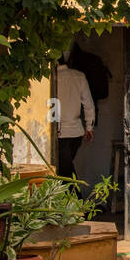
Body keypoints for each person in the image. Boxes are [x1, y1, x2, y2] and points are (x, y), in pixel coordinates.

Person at [55, 52, 95, 189]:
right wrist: (89, 127)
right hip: (76, 132)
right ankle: (73, 204)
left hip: (59, 133)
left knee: (64, 173)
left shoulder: (52, 78)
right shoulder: (79, 76)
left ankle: (77, 203)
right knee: (65, 170)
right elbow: (88, 104)